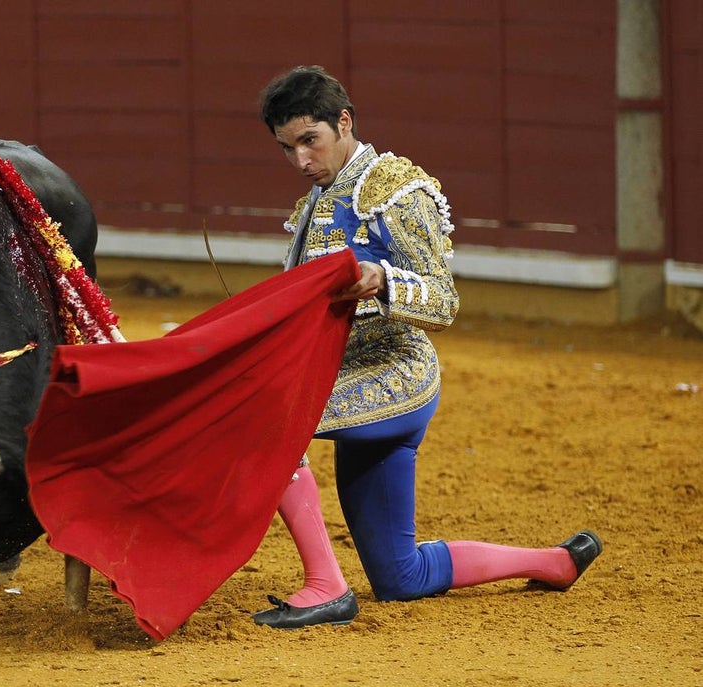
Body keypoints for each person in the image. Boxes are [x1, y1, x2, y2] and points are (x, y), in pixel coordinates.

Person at [251, 65, 603, 629]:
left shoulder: (395, 191)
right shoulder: (312, 206)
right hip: (343, 380)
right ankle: (554, 563)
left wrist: (385, 280)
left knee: (270, 418)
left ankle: (325, 585)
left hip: (396, 374)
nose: (300, 161)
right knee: (400, 578)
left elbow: (442, 300)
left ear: (343, 122)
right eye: (287, 148)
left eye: (309, 142)